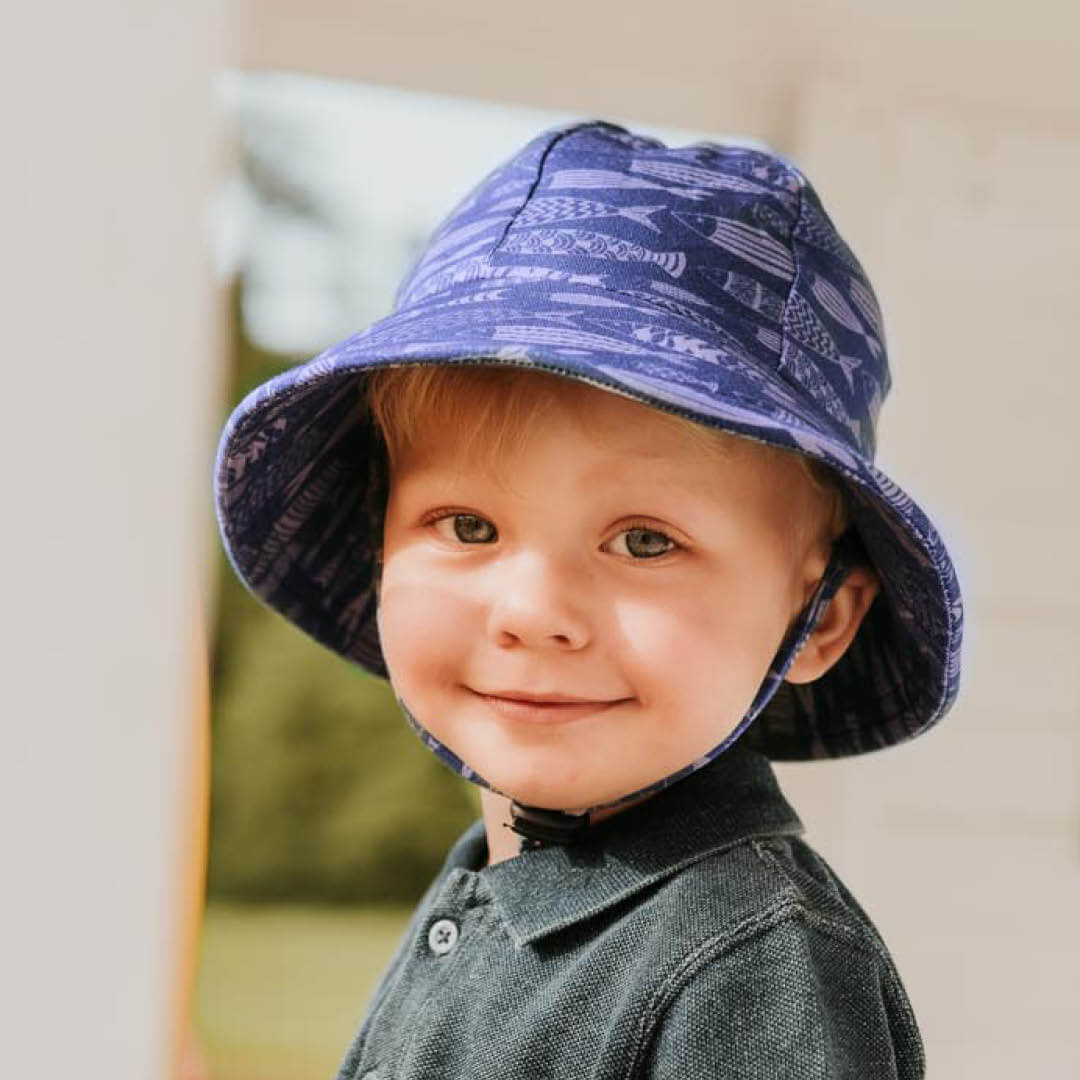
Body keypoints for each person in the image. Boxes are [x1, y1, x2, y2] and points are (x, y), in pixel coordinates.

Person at [214, 120, 963, 1078]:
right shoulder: (492, 885)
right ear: (380, 544)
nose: (533, 610)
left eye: (645, 541)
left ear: (816, 618)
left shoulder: (749, 967)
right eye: (468, 527)